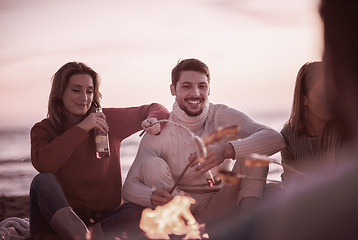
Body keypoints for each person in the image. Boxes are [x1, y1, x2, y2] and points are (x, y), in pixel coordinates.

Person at [209, 0, 358, 239]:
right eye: (321, 96)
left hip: (321, 203)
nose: (330, 100)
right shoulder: (290, 134)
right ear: (305, 99)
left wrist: (227, 149)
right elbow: (291, 180)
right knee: (270, 192)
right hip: (309, 200)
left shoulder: (343, 132)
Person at [122, 58, 285, 225]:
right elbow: (129, 187)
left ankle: (248, 229)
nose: (196, 93)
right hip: (180, 213)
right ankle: (184, 234)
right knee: (151, 164)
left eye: (202, 86)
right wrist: (150, 196)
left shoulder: (221, 116)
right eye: (186, 86)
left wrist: (227, 150)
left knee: (258, 161)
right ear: (173, 89)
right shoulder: (159, 130)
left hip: (220, 204)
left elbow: (275, 138)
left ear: (209, 89)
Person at [29, 61, 169, 239]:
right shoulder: (44, 129)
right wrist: (82, 128)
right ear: (60, 93)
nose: (84, 97)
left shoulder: (107, 120)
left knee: (141, 210)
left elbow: (156, 108)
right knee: (42, 181)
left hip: (104, 222)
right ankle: (80, 235)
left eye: (89, 91)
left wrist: (153, 120)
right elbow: (44, 164)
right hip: (60, 222)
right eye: (76, 90)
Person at [280, 61, 342, 185]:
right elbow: (292, 186)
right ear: (304, 99)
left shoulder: (344, 129)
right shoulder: (288, 137)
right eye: (320, 96)